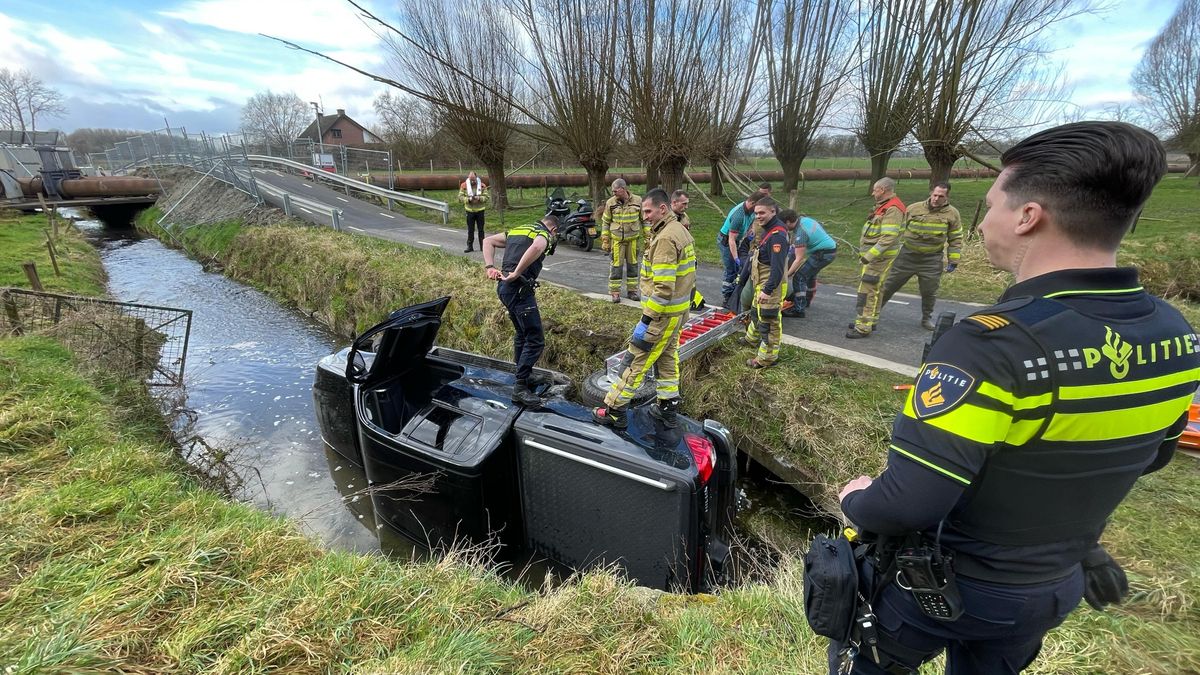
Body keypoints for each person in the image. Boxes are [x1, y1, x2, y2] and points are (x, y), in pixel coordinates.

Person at [832, 121, 1200, 675]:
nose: (983, 225)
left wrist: (856, 497)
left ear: (1028, 216)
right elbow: (1154, 454)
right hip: (1051, 588)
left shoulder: (990, 345)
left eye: (990, 207)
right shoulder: (1177, 332)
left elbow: (908, 503)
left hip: (946, 590)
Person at [593, 188, 696, 429]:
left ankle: (614, 411)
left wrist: (647, 320)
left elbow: (663, 287)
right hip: (677, 313)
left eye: (648, 211)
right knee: (668, 359)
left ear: (663, 208)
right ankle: (667, 409)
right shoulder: (679, 230)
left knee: (635, 360)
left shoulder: (665, 239)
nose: (645, 216)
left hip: (661, 315)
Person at [482, 215, 559, 406]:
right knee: (535, 339)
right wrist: (517, 272)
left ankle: (524, 375)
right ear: (554, 230)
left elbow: (487, 241)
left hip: (504, 288)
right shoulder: (544, 234)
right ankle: (520, 388)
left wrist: (489, 266)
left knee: (522, 334)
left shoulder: (519, 229)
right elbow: (538, 247)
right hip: (519, 289)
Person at [878, 182, 963, 330]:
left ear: (947, 197)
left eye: (940, 196)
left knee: (929, 292)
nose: (936, 199)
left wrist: (953, 259)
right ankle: (873, 313)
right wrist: (885, 250)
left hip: (931, 260)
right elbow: (897, 230)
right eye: (935, 195)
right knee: (888, 286)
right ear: (931, 193)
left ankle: (926, 318)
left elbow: (955, 238)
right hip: (907, 256)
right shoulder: (913, 208)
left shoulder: (952, 214)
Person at [847, 177, 906, 339]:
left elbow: (888, 237)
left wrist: (868, 256)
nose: (873, 193)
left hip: (879, 258)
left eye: (875, 190)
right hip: (877, 258)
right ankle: (870, 321)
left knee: (867, 289)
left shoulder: (893, 209)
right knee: (875, 288)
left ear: (883, 190)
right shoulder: (885, 206)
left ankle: (863, 326)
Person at [741, 198, 790, 368]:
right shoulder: (768, 230)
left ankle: (767, 359)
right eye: (756, 213)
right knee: (756, 312)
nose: (758, 216)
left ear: (773, 212)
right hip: (762, 283)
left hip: (771, 286)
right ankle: (751, 339)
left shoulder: (777, 236)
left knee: (769, 322)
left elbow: (777, 268)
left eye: (762, 213)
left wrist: (767, 290)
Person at [779, 208, 838, 319]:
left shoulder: (801, 232)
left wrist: (786, 275)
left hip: (823, 253)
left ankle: (799, 309)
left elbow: (799, 259)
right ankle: (806, 301)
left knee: (799, 277)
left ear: (788, 222)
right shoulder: (803, 220)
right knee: (810, 274)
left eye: (783, 225)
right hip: (829, 250)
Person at [600, 178, 643, 303]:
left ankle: (632, 291)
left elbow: (644, 220)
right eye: (612, 192)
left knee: (633, 266)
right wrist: (605, 240)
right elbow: (605, 222)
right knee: (616, 267)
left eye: (615, 191)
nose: (613, 194)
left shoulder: (638, 201)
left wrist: (648, 237)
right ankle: (615, 292)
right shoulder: (610, 203)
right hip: (617, 241)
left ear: (623, 189)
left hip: (633, 240)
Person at [717, 193, 762, 306]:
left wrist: (749, 232)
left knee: (737, 269)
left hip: (735, 239)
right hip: (726, 240)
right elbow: (731, 240)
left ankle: (733, 294)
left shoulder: (751, 211)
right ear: (752, 203)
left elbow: (751, 223)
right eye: (757, 208)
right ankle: (727, 298)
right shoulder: (739, 216)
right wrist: (736, 257)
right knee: (731, 269)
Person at [672, 188, 706, 311]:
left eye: (687, 203)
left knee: (691, 281)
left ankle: (690, 304)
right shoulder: (666, 219)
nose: (686, 207)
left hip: (688, 255)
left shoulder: (685, 217)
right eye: (684, 203)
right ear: (674, 202)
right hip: (674, 256)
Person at [459, 171, 488, 252]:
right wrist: (468, 199)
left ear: (476, 178)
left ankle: (483, 247)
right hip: (469, 211)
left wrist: (480, 198)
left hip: (480, 211)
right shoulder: (464, 185)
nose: (472, 181)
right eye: (470, 180)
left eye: (473, 180)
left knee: (481, 230)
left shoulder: (482, 185)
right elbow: (460, 197)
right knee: (470, 230)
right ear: (468, 178)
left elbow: (486, 197)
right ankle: (469, 246)